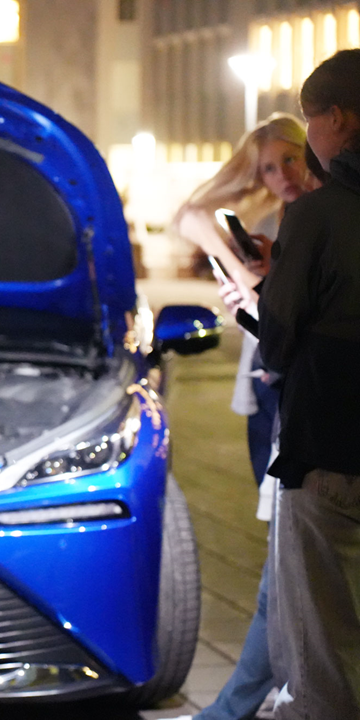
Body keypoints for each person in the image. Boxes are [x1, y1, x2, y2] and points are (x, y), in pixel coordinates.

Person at [165, 116, 316, 720]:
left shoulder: (323, 219)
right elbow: (191, 213)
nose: (281, 176)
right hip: (279, 398)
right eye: (266, 169)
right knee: (285, 569)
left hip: (308, 405)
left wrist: (255, 288)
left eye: (289, 159)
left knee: (284, 575)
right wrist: (254, 287)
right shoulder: (284, 225)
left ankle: (234, 709)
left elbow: (306, 319)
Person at [257, 48, 360, 720]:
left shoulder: (321, 214)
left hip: (327, 440)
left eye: (310, 123)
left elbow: (280, 331)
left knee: (318, 635)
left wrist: (263, 289)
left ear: (339, 120)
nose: (310, 139)